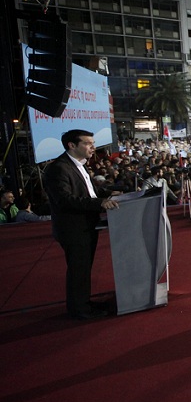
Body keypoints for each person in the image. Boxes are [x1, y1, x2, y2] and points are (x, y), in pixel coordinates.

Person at [42, 129, 119, 320]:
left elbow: (87, 194)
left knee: (84, 269)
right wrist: (99, 203)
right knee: (78, 269)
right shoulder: (59, 168)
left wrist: (105, 196)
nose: (93, 147)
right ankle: (80, 310)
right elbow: (65, 200)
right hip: (73, 228)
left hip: (86, 224)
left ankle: (83, 302)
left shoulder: (79, 165)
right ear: (72, 145)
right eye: (88, 143)